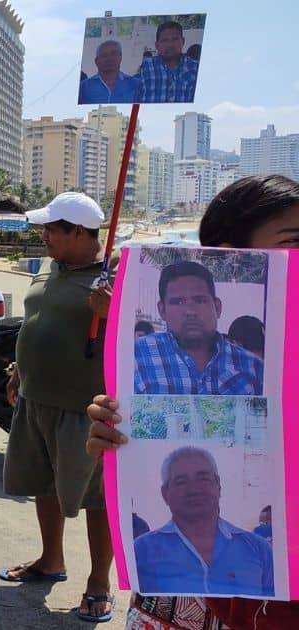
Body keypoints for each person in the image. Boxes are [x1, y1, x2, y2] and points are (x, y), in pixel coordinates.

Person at [87, 174, 299, 630]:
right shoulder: (137, 356)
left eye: (200, 300)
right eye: (294, 242)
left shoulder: (254, 362)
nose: (190, 309)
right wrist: (117, 439)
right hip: (181, 601)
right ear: (229, 252)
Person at [0, 192, 116, 623]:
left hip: (84, 410)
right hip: (34, 399)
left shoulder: (114, 276)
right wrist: (18, 370)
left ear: (80, 233)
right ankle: (51, 561)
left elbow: (147, 331)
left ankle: (99, 583)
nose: (43, 235)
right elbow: (35, 320)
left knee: (96, 498)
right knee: (42, 483)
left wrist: (114, 310)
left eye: (52, 228)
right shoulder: (52, 268)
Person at [134, 446, 273, 596]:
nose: (194, 489)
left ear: (218, 485)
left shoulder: (259, 550)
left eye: (203, 478)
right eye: (181, 481)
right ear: (165, 493)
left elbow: (274, 612)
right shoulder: (142, 551)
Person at [133, 261, 263, 395]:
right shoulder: (134, 356)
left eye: (199, 300)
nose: (190, 311)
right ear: (162, 310)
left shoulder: (253, 367)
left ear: (217, 307)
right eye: (178, 302)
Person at [136, 21, 200, 103]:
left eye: (175, 39)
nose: (170, 44)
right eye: (164, 40)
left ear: (183, 41)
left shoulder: (195, 68)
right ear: (157, 45)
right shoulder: (147, 66)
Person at [79, 40, 141, 104]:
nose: (109, 58)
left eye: (114, 54)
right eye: (104, 55)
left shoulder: (137, 85)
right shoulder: (83, 88)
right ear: (96, 61)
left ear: (120, 57)